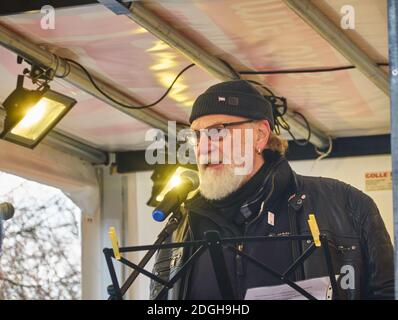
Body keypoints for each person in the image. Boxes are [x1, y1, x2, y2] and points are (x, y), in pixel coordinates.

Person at [150, 80, 394, 300]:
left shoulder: (347, 205)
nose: (203, 148)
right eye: (196, 136)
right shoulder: (179, 226)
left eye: (217, 132)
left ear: (260, 135)